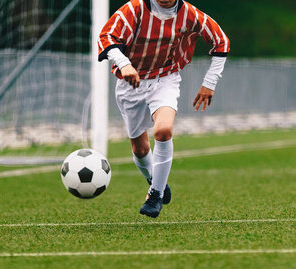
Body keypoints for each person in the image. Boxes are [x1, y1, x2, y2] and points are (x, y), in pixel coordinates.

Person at [98, 0, 229, 217]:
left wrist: (210, 83)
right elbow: (107, 36)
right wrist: (124, 63)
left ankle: (155, 195)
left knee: (163, 130)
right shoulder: (135, 9)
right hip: (131, 84)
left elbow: (221, 41)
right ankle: (154, 179)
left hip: (165, 79)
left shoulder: (190, 14)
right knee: (139, 149)